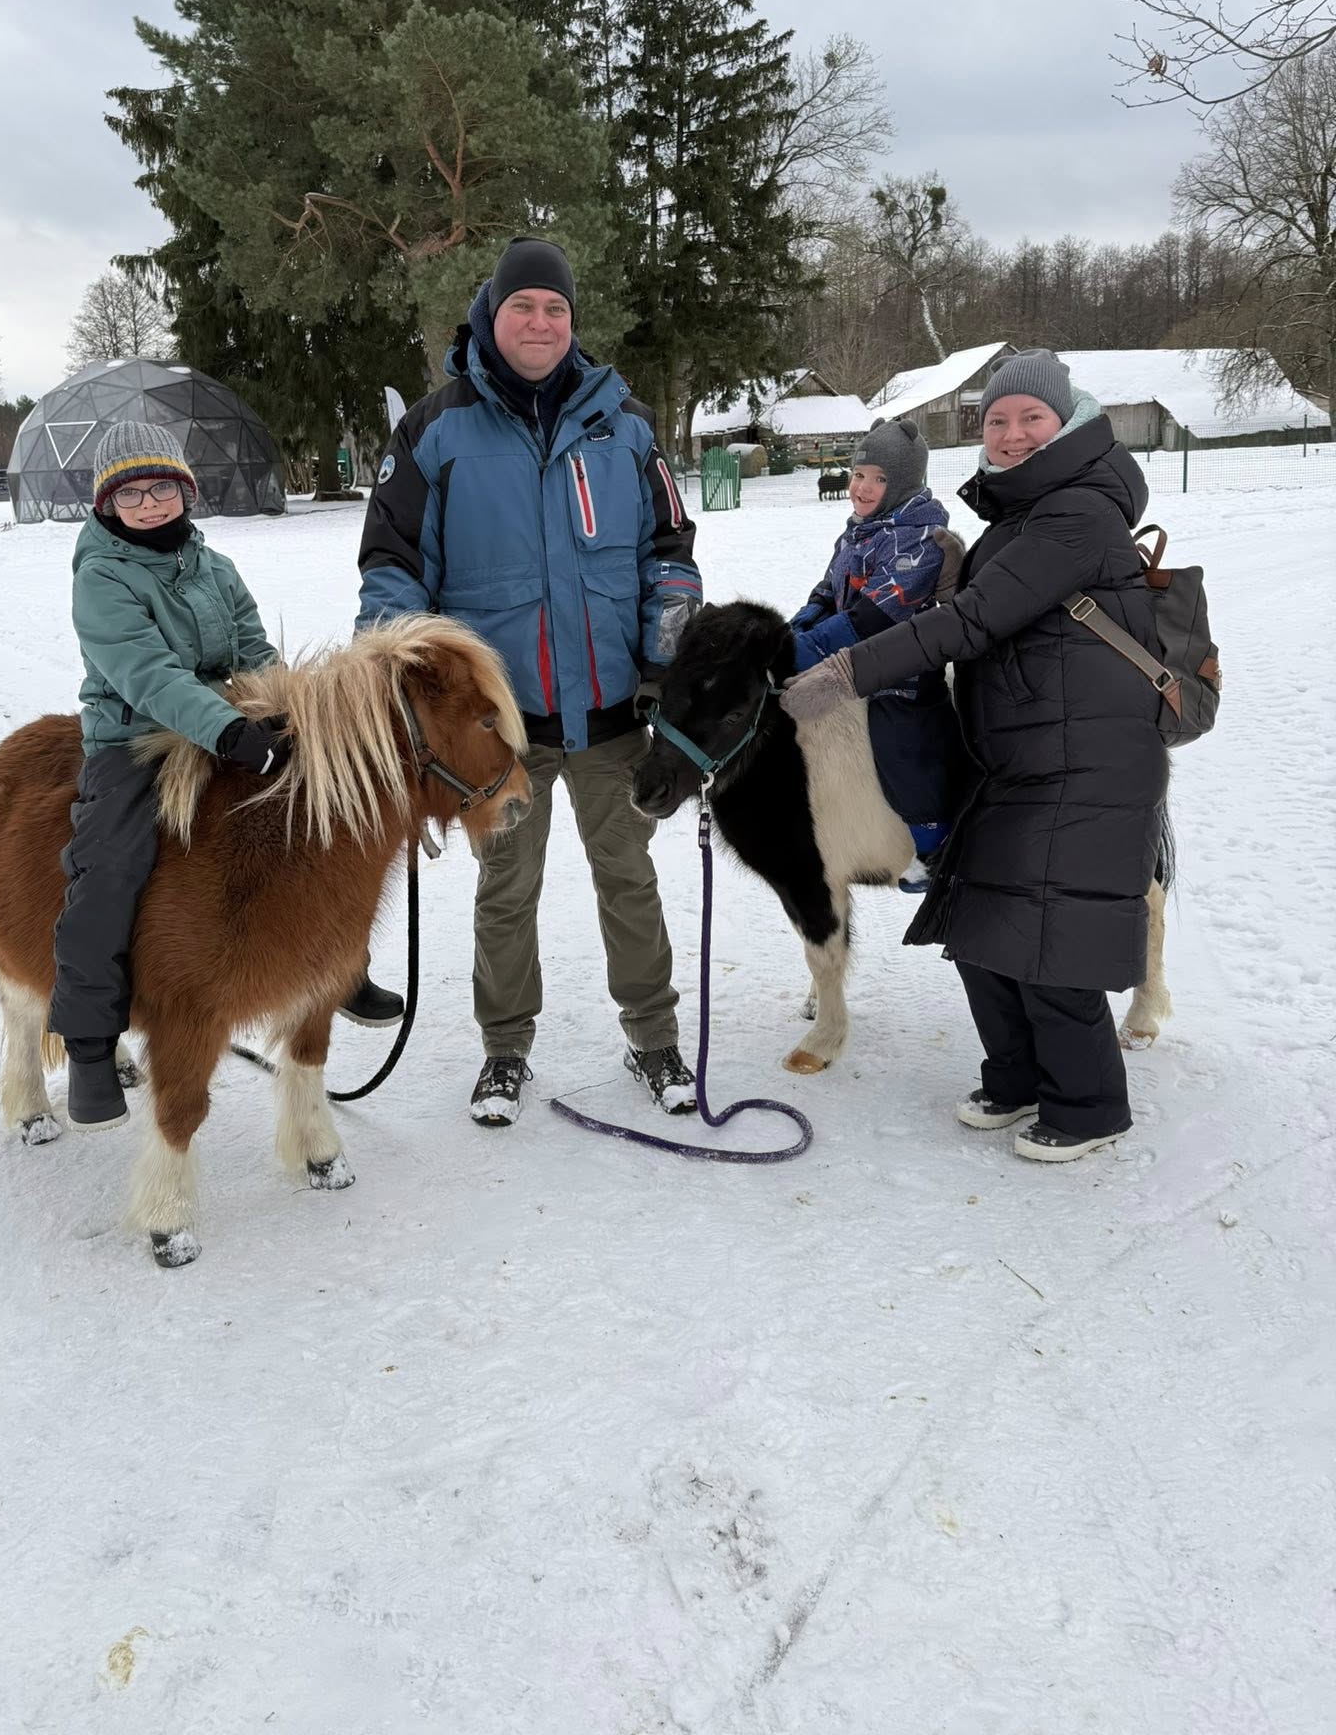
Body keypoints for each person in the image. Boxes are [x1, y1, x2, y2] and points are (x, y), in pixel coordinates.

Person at [782, 350, 1167, 1162]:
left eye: (1032, 418)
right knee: (982, 920)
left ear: (1070, 422)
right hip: (1015, 751)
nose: (1013, 433)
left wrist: (838, 675)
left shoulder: (1077, 513)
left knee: (1047, 935)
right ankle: (1018, 1075)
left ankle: (1089, 1105)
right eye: (997, 420)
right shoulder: (1019, 516)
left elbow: (970, 624)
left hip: (1080, 752)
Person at [356, 237, 702, 1126]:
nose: (541, 322)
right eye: (525, 308)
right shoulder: (436, 429)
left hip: (614, 712)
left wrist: (668, 654)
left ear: (572, 323)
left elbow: (669, 549)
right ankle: (505, 1049)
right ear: (491, 315)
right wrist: (400, 679)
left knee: (628, 877)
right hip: (497, 732)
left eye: (556, 309)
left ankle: (654, 1038)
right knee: (506, 889)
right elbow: (393, 569)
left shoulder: (622, 422)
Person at [51, 420, 397, 1129]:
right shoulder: (102, 578)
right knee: (107, 865)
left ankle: (339, 968)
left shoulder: (213, 567)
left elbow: (251, 643)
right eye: (131, 494)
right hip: (137, 736)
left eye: (163, 489)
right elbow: (145, 675)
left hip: (229, 722)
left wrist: (284, 710)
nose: (150, 505)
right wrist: (227, 729)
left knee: (323, 814)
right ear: (106, 506)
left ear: (186, 492)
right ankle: (89, 1040)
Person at [789, 416, 967, 891]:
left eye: (880, 479)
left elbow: (875, 617)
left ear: (904, 483)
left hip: (903, 666)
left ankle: (931, 841)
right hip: (851, 659)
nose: (863, 488)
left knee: (899, 738)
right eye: (858, 475)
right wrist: (800, 623)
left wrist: (805, 649)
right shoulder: (859, 530)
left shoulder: (920, 538)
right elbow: (831, 588)